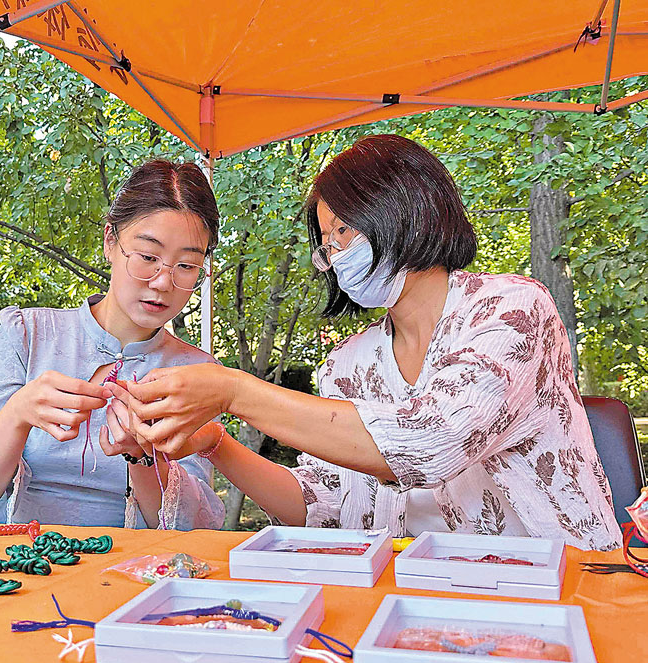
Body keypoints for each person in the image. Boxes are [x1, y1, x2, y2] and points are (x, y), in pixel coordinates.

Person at [110, 135, 622, 551]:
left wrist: (233, 390)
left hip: (560, 583)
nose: (334, 255)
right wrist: (216, 443)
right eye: (326, 244)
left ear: (406, 209)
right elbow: (323, 508)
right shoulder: (348, 364)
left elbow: (432, 442)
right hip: (416, 593)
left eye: (344, 232)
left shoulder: (512, 310)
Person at [0, 159, 225, 530]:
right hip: (18, 557)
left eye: (186, 265)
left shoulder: (199, 374)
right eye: (148, 257)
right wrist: (18, 413)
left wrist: (143, 457)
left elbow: (192, 531)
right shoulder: (27, 334)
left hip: (136, 563)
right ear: (110, 241)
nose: (163, 282)